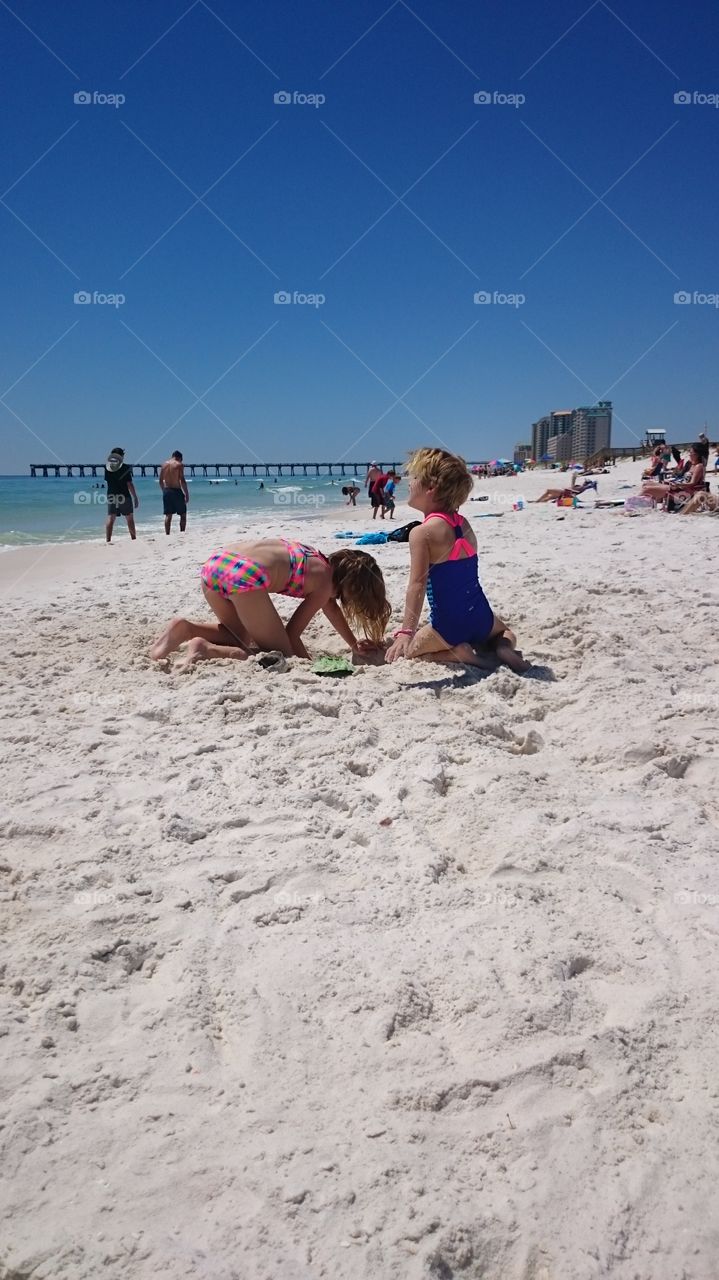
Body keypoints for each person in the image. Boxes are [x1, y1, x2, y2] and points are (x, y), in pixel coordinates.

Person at [385, 447, 529, 672]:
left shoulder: (421, 533)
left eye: (414, 478)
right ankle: (504, 649)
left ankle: (463, 655)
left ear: (431, 487)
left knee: (413, 650)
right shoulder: (463, 525)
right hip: (481, 616)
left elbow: (417, 584)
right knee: (506, 633)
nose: (409, 483)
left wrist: (406, 632)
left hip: (448, 626)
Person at [150, 540, 391, 669]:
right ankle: (206, 649)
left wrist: (352, 644)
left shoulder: (317, 559)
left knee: (238, 636)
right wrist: (307, 665)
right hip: (244, 575)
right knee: (280, 656)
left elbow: (331, 608)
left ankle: (186, 628)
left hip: (217, 564)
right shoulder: (326, 583)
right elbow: (293, 634)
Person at [641, 443, 706, 507]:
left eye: (691, 452)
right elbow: (683, 478)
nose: (689, 454)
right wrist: (676, 482)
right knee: (646, 484)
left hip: (684, 492)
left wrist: (678, 485)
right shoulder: (691, 465)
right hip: (679, 488)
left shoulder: (699, 466)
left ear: (697, 454)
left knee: (646, 489)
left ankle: (634, 505)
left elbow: (692, 483)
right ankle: (642, 503)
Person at [104, 448, 138, 543]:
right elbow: (129, 484)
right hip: (124, 495)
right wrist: (135, 497)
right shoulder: (125, 467)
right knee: (129, 517)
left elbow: (108, 482)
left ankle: (108, 540)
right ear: (121, 456)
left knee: (111, 517)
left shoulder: (107, 468)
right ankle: (133, 539)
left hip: (111, 494)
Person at [159, 450, 189, 534]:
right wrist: (186, 494)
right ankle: (182, 532)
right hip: (176, 491)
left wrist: (164, 491)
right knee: (183, 514)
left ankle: (167, 534)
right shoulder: (179, 465)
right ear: (179, 458)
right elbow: (182, 480)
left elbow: (161, 481)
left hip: (167, 490)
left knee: (168, 515)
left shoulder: (164, 465)